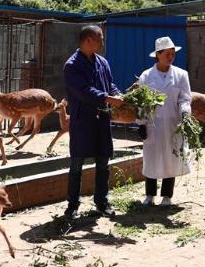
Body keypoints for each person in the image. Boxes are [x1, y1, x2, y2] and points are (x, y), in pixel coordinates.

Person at [63, 25, 124, 219]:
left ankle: (102, 201)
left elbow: (110, 83)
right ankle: (72, 205)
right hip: (82, 121)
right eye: (100, 39)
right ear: (88, 40)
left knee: (103, 163)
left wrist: (116, 94)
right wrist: (107, 98)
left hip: (102, 120)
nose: (103, 42)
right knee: (77, 164)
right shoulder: (72, 65)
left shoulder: (102, 62)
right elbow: (83, 91)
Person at [137, 36, 193, 206]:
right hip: (153, 125)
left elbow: (184, 98)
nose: (171, 56)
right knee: (151, 158)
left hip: (172, 124)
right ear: (158, 55)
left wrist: (185, 115)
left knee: (171, 158)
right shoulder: (146, 76)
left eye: (172, 53)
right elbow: (141, 102)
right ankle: (149, 195)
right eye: (167, 53)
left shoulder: (181, 75)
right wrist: (140, 123)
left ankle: (167, 196)